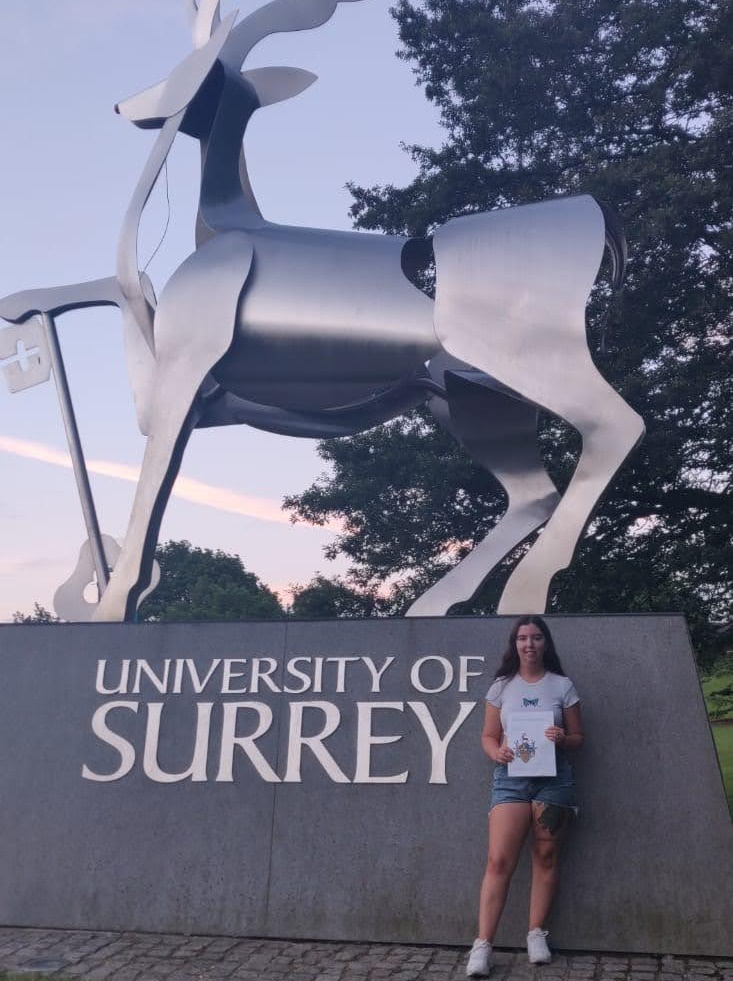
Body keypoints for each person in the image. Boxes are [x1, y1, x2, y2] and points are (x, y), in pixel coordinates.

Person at [466, 615, 584, 977]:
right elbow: (488, 736)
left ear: (545, 643)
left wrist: (562, 738)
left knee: (546, 855)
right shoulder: (501, 687)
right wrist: (495, 753)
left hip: (553, 781)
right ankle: (483, 945)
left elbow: (579, 738)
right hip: (511, 780)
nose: (529, 644)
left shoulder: (562, 685)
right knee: (499, 860)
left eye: (535, 638)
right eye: (522, 638)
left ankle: (535, 933)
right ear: (514, 644)